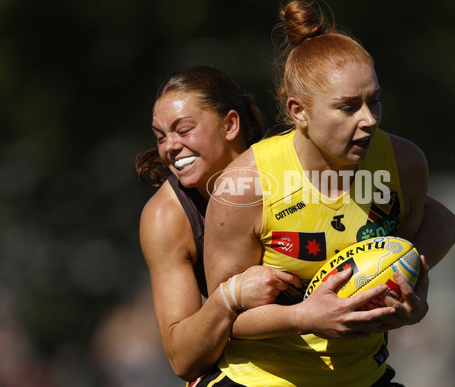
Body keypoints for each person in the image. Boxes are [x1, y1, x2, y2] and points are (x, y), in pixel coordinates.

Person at [202, 0, 455, 387]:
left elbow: (437, 230)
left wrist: (411, 302)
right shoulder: (246, 186)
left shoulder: (403, 162)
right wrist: (304, 317)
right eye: (347, 107)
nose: (369, 119)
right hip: (259, 379)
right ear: (298, 111)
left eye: (374, 100)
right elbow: (227, 319)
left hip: (364, 376)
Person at [135, 66, 408, 383]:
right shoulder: (167, 217)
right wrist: (230, 297)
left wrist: (404, 281)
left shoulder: (287, 163)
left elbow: (442, 222)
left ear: (231, 124)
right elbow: (183, 358)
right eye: (160, 136)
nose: (169, 146)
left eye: (183, 130)